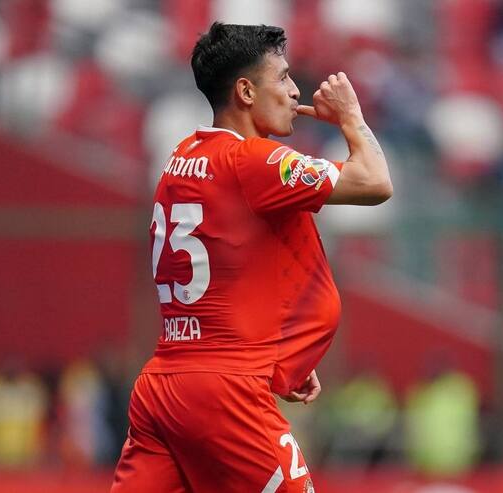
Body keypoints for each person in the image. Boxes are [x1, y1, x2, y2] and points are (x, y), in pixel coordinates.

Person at [111, 21, 392, 492]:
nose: (294, 89)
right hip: (227, 392)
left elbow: (231, 262)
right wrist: (350, 118)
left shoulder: (180, 156)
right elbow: (375, 182)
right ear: (245, 90)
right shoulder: (255, 162)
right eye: (281, 78)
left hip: (163, 384)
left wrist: (280, 345)